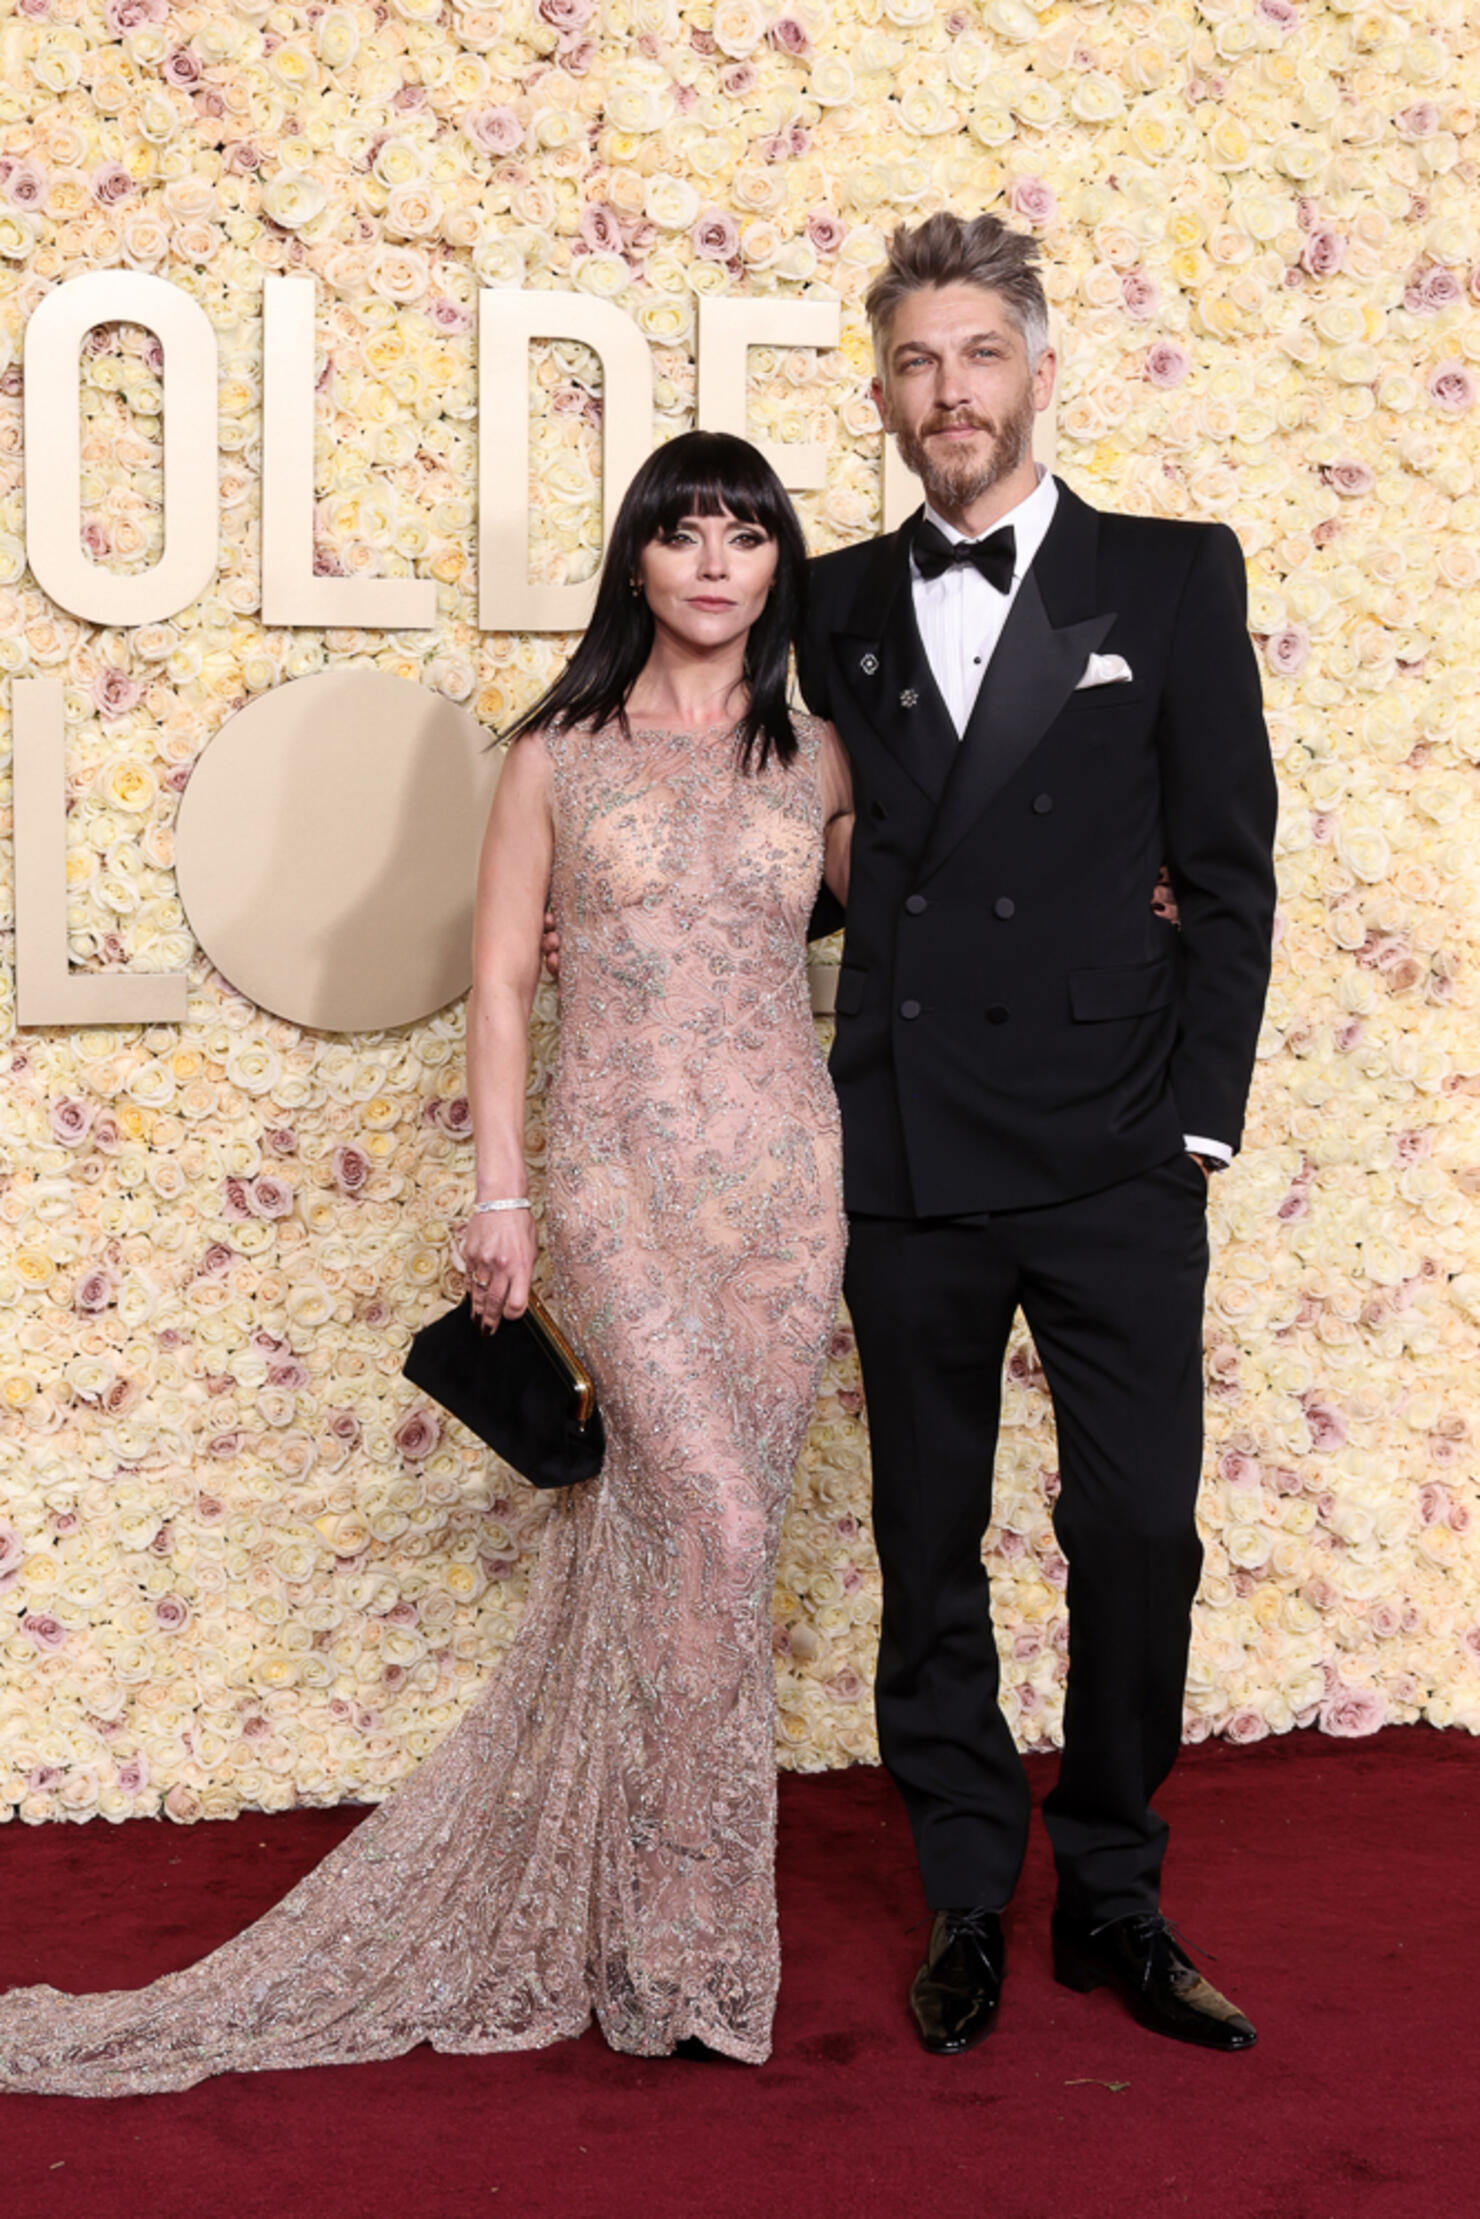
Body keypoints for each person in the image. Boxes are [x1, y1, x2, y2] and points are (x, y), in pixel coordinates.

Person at [0, 433, 853, 2094]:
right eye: (681, 535)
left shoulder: (822, 759)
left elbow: (931, 929)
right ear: (638, 564)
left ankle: (647, 1938)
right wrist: (508, 1196)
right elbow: (506, 991)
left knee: (695, 1554)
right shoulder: (557, 757)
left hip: (786, 1194)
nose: (712, 564)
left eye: (745, 536)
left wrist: (1129, 906)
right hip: (610, 1181)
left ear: (779, 570)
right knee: (722, 1521)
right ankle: (690, 1951)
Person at [797, 213, 1277, 2057]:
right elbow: (821, 861)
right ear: (883, 391)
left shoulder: (1167, 578)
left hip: (1117, 1152)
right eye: (918, 363)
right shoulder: (829, 599)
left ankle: (1118, 1891)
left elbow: (1227, 870)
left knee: (1138, 1530)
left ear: (1041, 366)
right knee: (929, 1541)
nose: (951, 393)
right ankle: (965, 1890)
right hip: (910, 1148)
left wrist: (1202, 1131)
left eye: (980, 355)